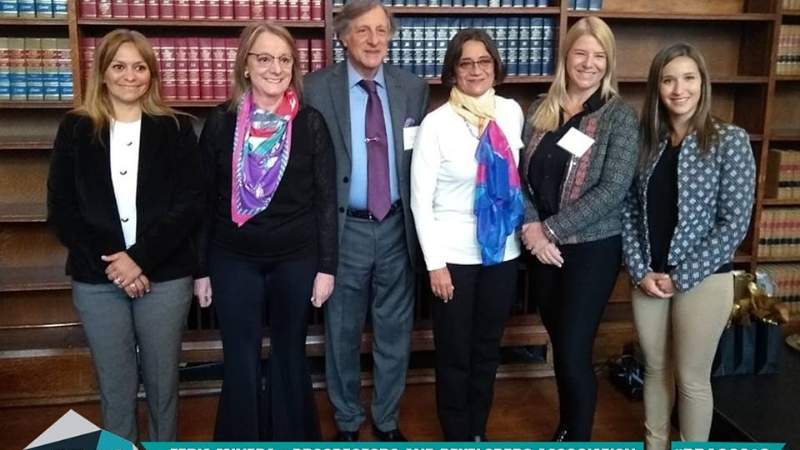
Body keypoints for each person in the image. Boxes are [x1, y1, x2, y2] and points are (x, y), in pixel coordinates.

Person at [47, 29, 202, 442]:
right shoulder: (76, 128)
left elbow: (189, 205)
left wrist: (140, 259)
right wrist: (118, 264)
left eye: (139, 67)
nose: (129, 76)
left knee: (163, 387)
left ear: (151, 74)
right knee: (115, 391)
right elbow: (62, 210)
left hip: (164, 278)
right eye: (119, 66)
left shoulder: (177, 128)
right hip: (98, 280)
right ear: (102, 73)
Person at [193, 22, 337, 440]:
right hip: (232, 258)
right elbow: (204, 200)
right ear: (245, 66)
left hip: (296, 258)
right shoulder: (221, 123)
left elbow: (325, 200)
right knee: (240, 357)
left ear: (294, 67)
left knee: (290, 353)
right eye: (264, 58)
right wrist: (201, 269)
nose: (275, 68)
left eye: (284, 59)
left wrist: (326, 267)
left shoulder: (310, 123)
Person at [303, 0, 429, 441]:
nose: (374, 40)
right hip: (344, 229)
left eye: (381, 31)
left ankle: (388, 420)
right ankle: (347, 422)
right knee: (341, 332)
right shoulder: (315, 89)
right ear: (343, 37)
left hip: (398, 227)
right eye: (363, 31)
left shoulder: (414, 88)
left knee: (395, 332)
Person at [621, 43, 755, 450]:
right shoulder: (649, 143)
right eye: (668, 79)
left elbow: (734, 223)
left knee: (692, 378)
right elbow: (628, 211)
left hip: (702, 281)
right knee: (657, 370)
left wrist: (680, 277)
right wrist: (640, 270)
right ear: (657, 87)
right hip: (647, 280)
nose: (679, 89)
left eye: (688, 78)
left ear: (702, 83)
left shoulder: (729, 140)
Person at [519, 16, 639, 441]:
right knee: (561, 348)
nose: (588, 63)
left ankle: (576, 434)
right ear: (566, 57)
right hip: (543, 252)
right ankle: (568, 426)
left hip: (591, 250)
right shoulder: (540, 109)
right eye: (581, 53)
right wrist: (532, 227)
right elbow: (521, 178)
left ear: (608, 63)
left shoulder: (618, 118)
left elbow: (613, 189)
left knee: (572, 348)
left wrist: (548, 230)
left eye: (599, 56)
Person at [410, 28, 524, 442]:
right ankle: (456, 432)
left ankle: (478, 429)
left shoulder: (511, 112)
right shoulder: (436, 123)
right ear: (452, 71)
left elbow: (514, 184)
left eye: (484, 61)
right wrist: (435, 263)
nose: (476, 70)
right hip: (452, 257)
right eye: (466, 62)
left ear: (495, 67)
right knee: (455, 352)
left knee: (486, 348)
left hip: (502, 255)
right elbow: (420, 201)